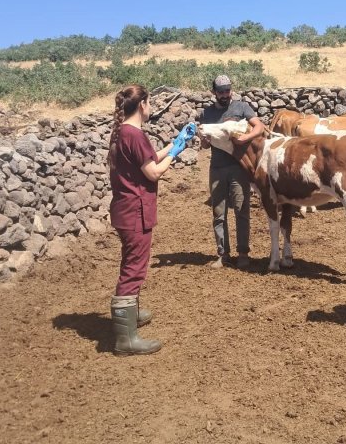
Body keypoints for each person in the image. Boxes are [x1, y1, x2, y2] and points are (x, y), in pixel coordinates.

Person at [107, 84, 196, 356]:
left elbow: (146, 159)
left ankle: (130, 317)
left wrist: (174, 143)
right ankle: (126, 340)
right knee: (134, 269)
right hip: (136, 211)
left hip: (125, 209)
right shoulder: (135, 135)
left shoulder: (124, 132)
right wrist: (174, 154)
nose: (152, 107)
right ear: (143, 104)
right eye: (151, 102)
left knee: (131, 263)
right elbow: (153, 172)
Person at [197, 74, 265, 268]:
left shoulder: (241, 108)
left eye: (227, 90)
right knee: (218, 212)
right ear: (214, 93)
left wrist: (245, 138)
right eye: (221, 91)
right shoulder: (206, 114)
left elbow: (259, 126)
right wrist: (204, 140)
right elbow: (204, 146)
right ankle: (223, 254)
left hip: (238, 167)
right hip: (217, 168)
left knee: (241, 210)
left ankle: (243, 253)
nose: (225, 94)